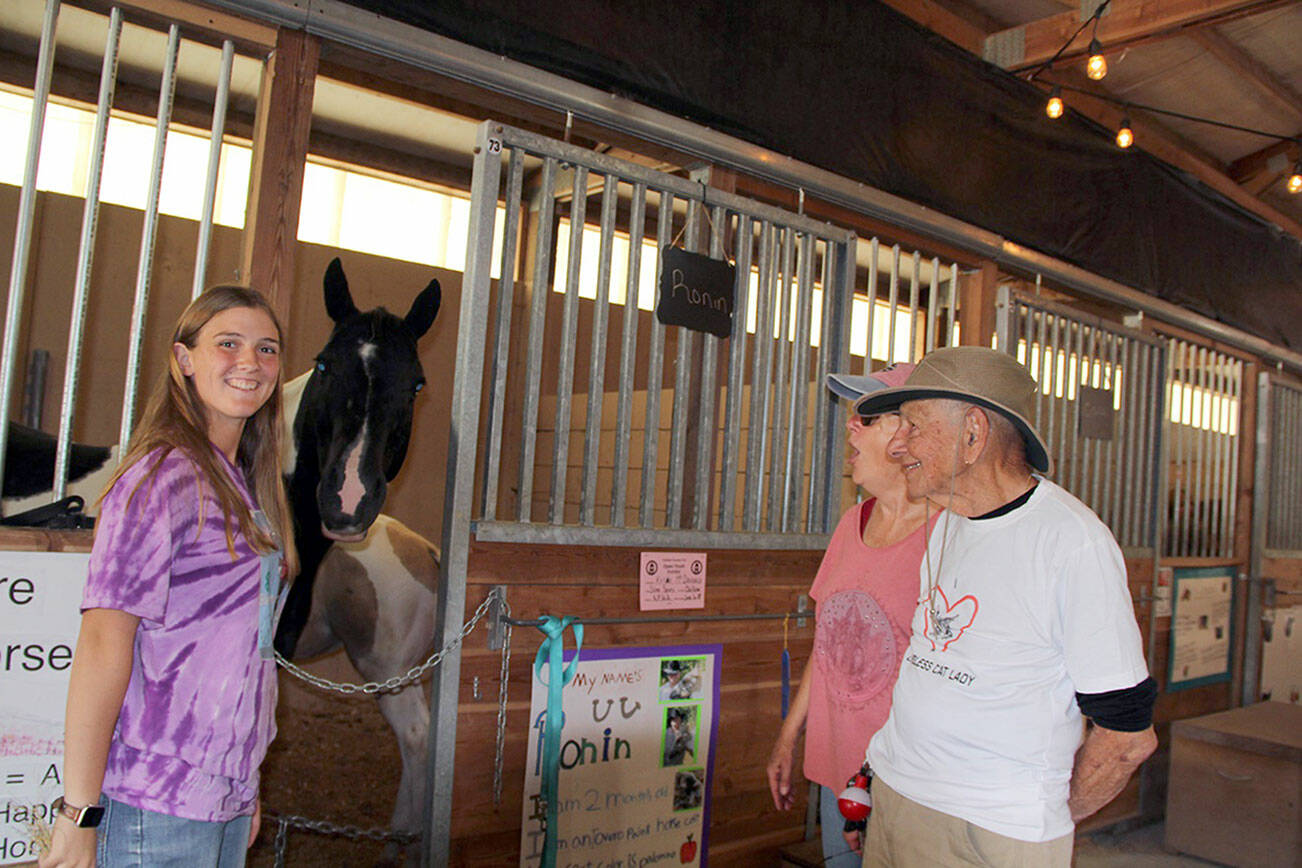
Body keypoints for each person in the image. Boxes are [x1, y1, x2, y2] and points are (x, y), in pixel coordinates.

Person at [856, 346, 1157, 867]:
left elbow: (1127, 736)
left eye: (913, 425)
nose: (897, 445)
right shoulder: (950, 521)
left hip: (990, 830)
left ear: (972, 434)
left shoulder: (1070, 542)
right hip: (899, 801)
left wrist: (1032, 824)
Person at [41, 286, 298, 868]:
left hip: (221, 795)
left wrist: (243, 783)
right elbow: (105, 640)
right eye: (227, 343)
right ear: (184, 359)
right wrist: (79, 812)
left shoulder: (241, 483)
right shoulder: (161, 477)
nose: (249, 363)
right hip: (153, 801)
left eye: (267, 349)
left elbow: (241, 653)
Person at [766, 364, 937, 867]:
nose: (851, 427)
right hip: (836, 763)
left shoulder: (948, 536)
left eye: (868, 416)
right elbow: (829, 646)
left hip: (903, 779)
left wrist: (882, 779)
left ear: (909, 434)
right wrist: (788, 736)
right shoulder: (850, 522)